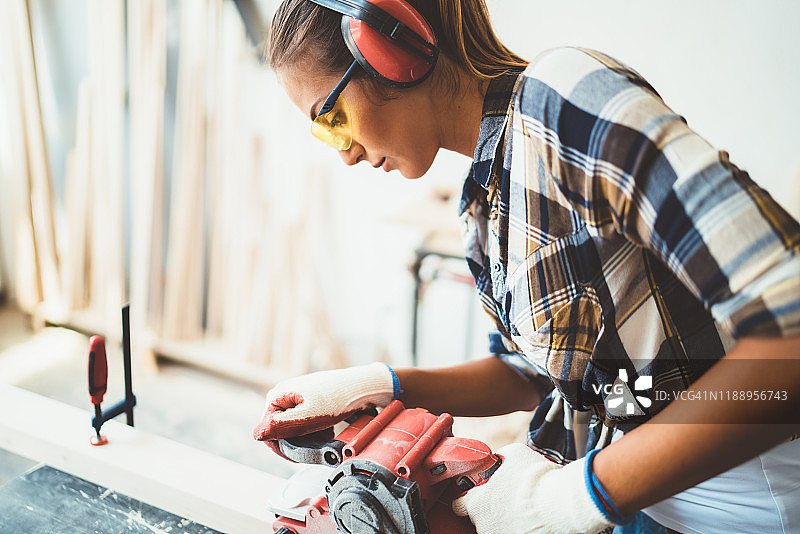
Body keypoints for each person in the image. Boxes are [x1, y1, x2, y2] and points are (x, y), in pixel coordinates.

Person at [252, 1, 800, 532]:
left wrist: (579, 496)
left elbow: (790, 334)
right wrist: (383, 385)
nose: (344, 152)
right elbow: (536, 373)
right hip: (647, 501)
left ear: (389, 47)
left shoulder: (562, 98)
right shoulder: (483, 203)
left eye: (333, 117)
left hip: (758, 503)